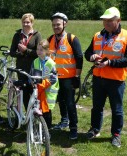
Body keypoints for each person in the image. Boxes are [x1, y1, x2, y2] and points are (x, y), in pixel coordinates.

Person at [84, 7, 127, 148]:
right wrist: (92, 57)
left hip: (116, 80)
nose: (106, 23)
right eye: (104, 20)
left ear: (118, 20)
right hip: (98, 78)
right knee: (96, 107)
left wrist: (110, 62)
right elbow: (87, 53)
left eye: (109, 20)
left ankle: (116, 135)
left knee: (117, 109)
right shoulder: (97, 36)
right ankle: (95, 129)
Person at [48, 12, 83, 140]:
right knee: (60, 101)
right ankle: (64, 120)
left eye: (58, 24)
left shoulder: (72, 38)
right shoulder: (50, 39)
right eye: (53, 25)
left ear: (65, 24)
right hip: (55, 78)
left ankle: (73, 128)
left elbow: (79, 58)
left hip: (69, 78)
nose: (56, 27)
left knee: (70, 103)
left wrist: (77, 77)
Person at [10, 13, 42, 109]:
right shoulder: (17, 35)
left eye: (28, 22)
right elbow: (12, 52)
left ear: (32, 23)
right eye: (24, 22)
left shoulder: (37, 35)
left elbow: (39, 52)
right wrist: (20, 53)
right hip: (21, 68)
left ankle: (35, 113)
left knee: (34, 91)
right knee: (23, 91)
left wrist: (26, 50)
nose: (25, 24)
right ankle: (28, 113)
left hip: (34, 68)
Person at [32, 40, 58, 129]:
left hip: (48, 92)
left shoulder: (51, 63)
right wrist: (31, 81)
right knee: (38, 110)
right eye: (37, 49)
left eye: (41, 50)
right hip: (38, 91)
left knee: (47, 111)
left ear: (47, 51)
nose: (38, 52)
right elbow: (31, 74)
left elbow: (54, 78)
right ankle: (39, 129)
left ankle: (47, 130)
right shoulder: (35, 61)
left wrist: (44, 83)